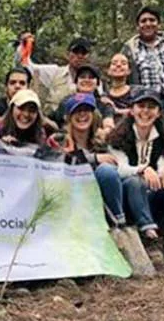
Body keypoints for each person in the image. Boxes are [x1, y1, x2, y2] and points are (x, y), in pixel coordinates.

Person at [108, 88, 164, 246]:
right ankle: (148, 229)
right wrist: (143, 169)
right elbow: (121, 169)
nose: (145, 111)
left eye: (151, 107)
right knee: (134, 181)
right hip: (128, 196)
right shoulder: (117, 138)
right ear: (131, 110)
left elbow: (163, 164)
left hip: (152, 194)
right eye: (141, 106)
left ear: (158, 113)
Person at [47, 93, 124, 225]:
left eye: (86, 110)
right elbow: (55, 164)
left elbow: (117, 163)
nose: (82, 114)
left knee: (107, 172)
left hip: (104, 200)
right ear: (68, 117)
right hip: (72, 201)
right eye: (76, 111)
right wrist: (94, 158)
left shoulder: (104, 141)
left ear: (93, 115)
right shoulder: (58, 140)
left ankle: (118, 221)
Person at [19, 34, 92, 112]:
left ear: (88, 56)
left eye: (83, 53)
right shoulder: (54, 72)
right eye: (76, 52)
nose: (79, 56)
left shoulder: (94, 80)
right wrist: (24, 45)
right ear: (68, 54)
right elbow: (27, 65)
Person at [49, 64, 115, 131]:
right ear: (76, 82)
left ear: (97, 83)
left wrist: (105, 131)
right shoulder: (66, 101)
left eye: (91, 77)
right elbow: (53, 121)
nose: (86, 80)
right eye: (82, 77)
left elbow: (109, 125)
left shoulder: (104, 104)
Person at [101, 53, 133, 123]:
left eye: (123, 63)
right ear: (108, 71)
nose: (118, 65)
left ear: (129, 71)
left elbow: (140, 111)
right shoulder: (104, 96)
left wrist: (116, 110)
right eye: (114, 63)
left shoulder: (137, 92)